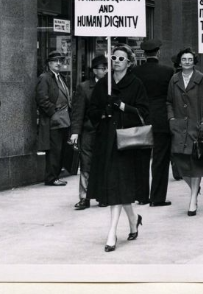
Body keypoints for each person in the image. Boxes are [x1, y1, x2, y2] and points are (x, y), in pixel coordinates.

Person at [86, 44, 150, 252]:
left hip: (127, 144)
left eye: (121, 58)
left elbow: (143, 113)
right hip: (107, 142)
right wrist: (104, 111)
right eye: (114, 57)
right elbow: (92, 111)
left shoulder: (136, 84)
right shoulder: (104, 84)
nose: (116, 61)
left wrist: (122, 106)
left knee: (118, 186)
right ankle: (133, 219)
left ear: (129, 63)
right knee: (116, 185)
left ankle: (111, 233)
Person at [166, 48, 203, 216]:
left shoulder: (201, 79)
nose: (187, 62)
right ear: (179, 62)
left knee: (196, 164)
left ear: (194, 61)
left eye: (190, 59)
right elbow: (169, 102)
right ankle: (194, 188)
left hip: (196, 125)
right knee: (180, 164)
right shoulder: (174, 79)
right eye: (184, 59)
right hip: (178, 127)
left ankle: (193, 199)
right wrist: (171, 119)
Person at [132, 38, 174, 207]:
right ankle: (157, 197)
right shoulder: (167, 71)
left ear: (143, 53)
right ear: (159, 52)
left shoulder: (135, 72)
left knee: (141, 158)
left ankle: (141, 195)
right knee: (160, 160)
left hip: (141, 119)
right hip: (161, 120)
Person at [70, 55, 108, 210]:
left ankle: (102, 195)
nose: (105, 71)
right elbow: (78, 111)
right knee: (86, 163)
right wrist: (75, 132)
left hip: (106, 130)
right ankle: (84, 197)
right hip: (89, 130)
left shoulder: (112, 85)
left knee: (104, 162)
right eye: (102, 68)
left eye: (107, 68)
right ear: (94, 70)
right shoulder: (84, 87)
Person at [35, 50, 72, 187]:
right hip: (54, 119)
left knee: (60, 149)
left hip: (63, 118)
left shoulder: (60, 77)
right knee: (54, 150)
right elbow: (41, 99)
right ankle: (52, 177)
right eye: (55, 61)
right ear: (49, 64)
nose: (58, 64)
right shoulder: (45, 78)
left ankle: (56, 175)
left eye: (60, 61)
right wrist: (53, 113)